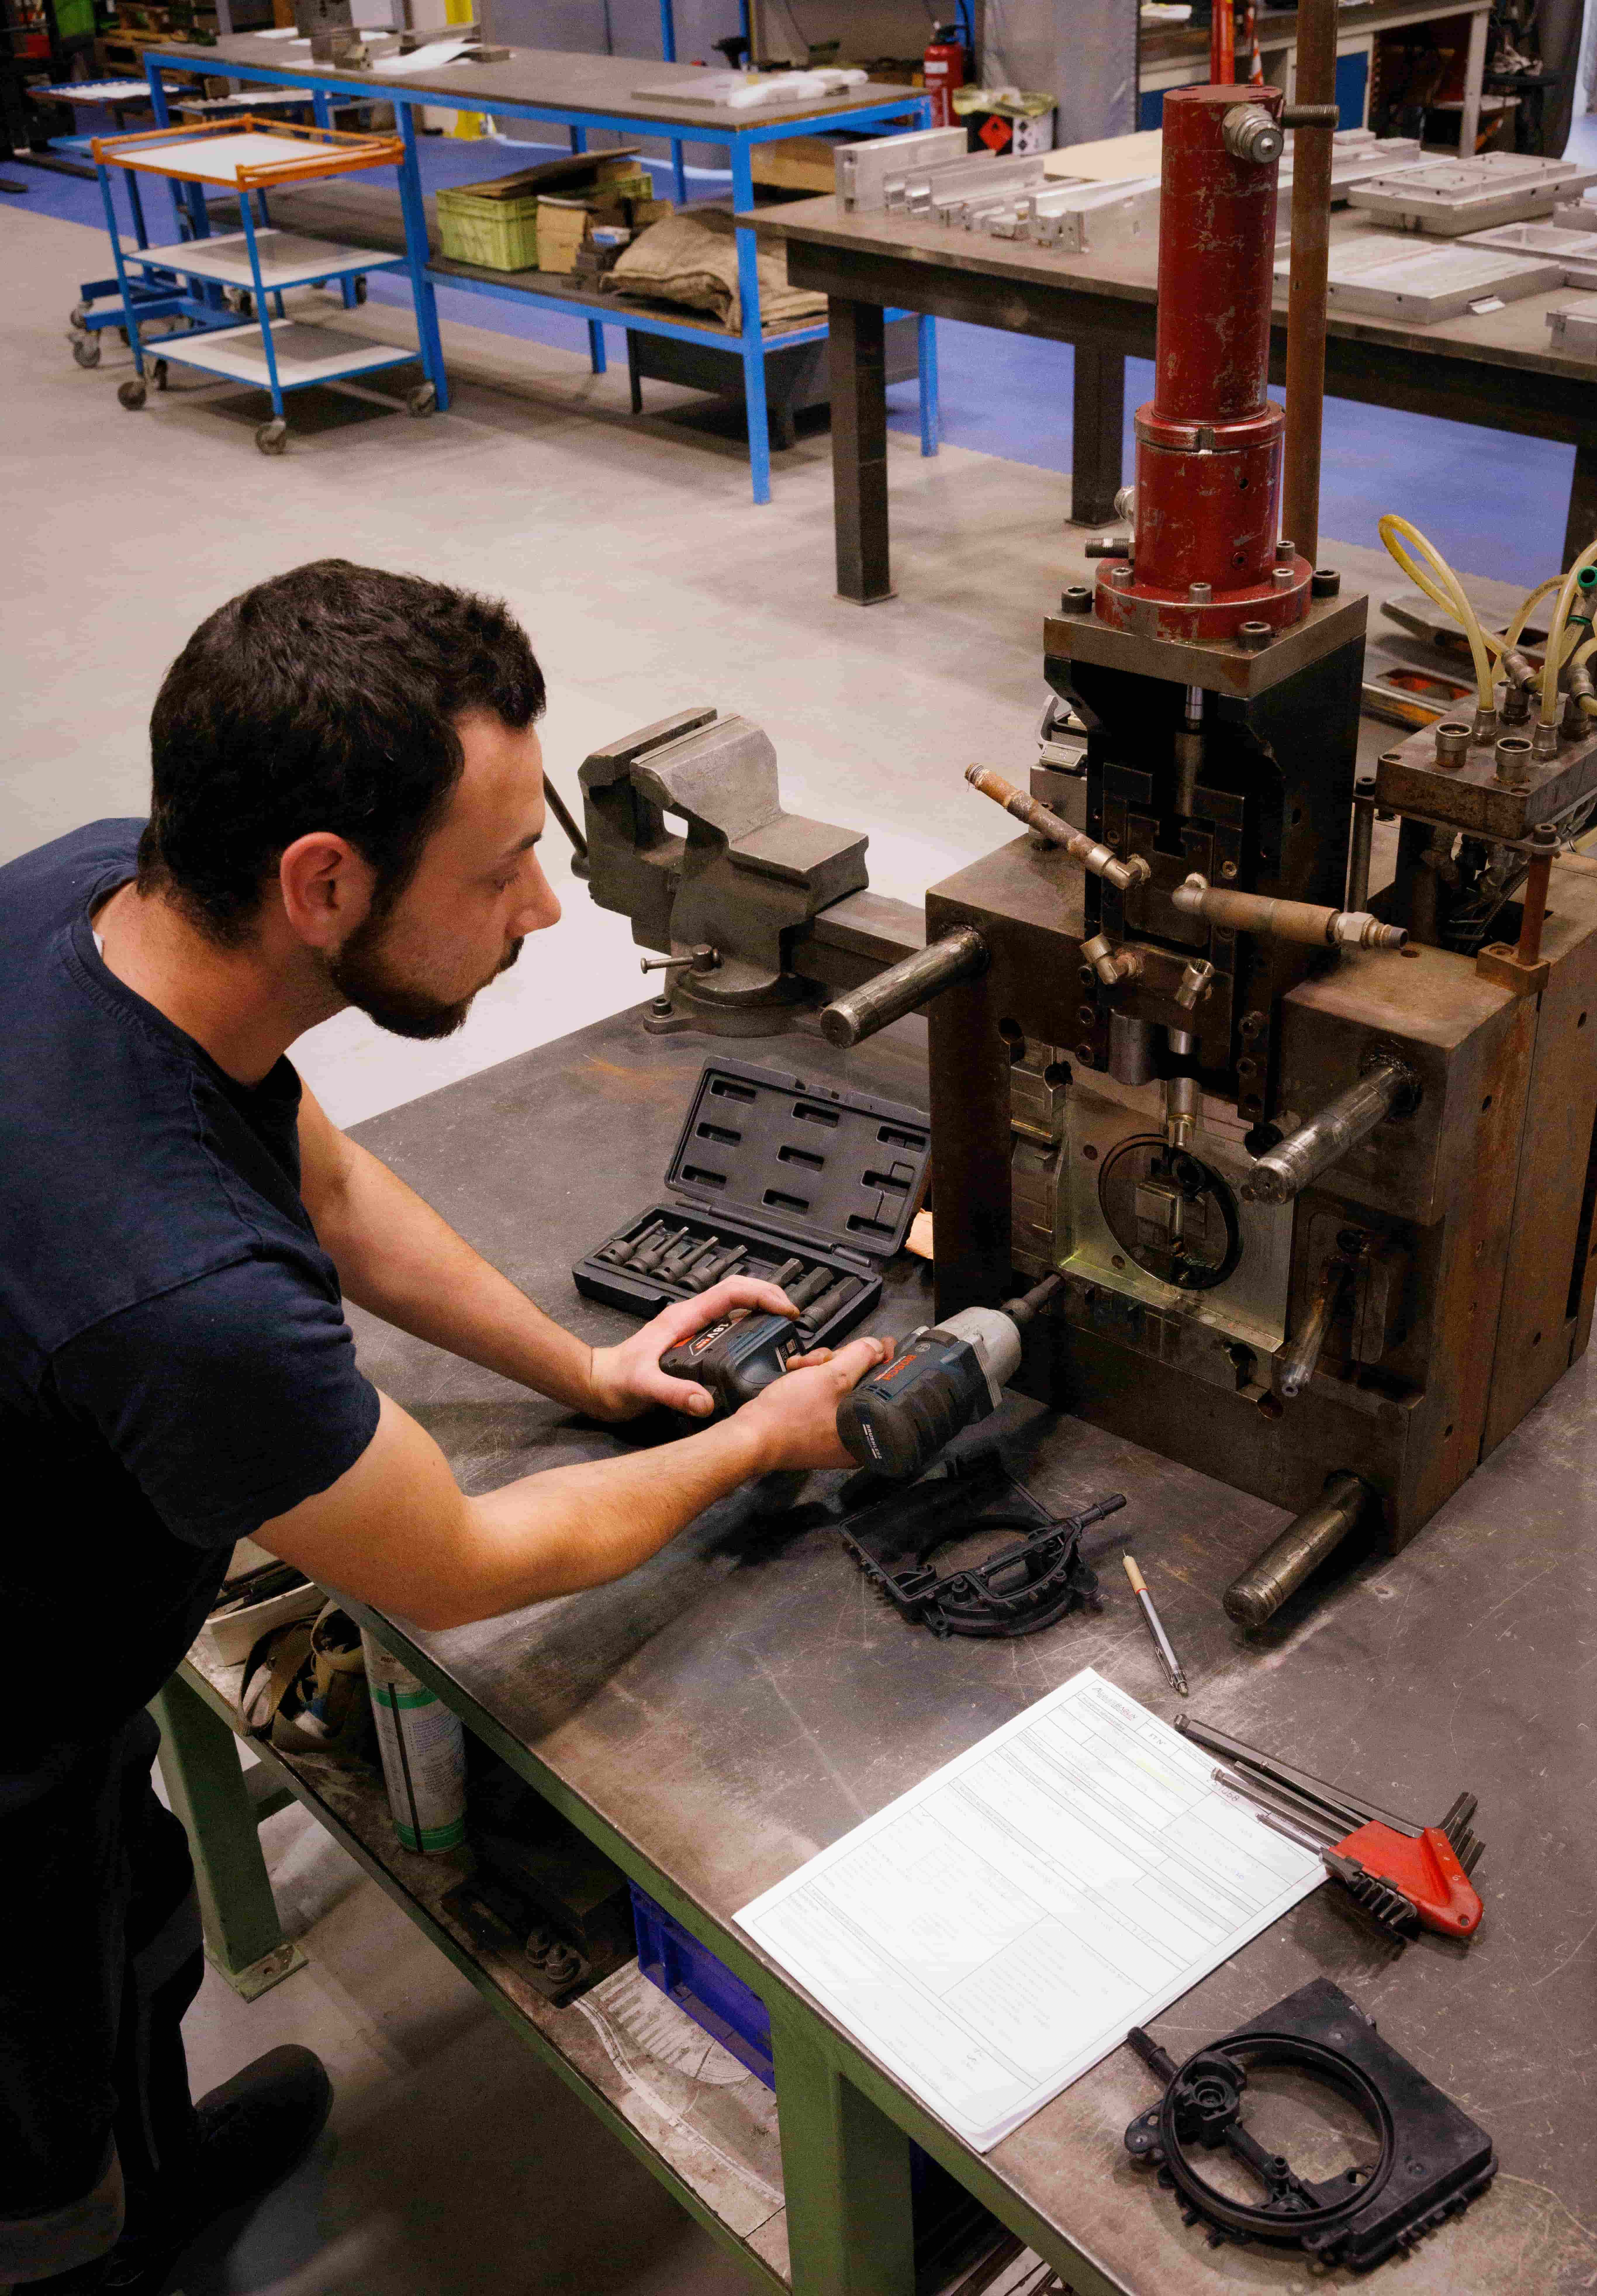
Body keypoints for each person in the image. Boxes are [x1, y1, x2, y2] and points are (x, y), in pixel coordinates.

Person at [0, 561, 890, 2294]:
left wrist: (582, 1371)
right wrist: (752, 1443)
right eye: (500, 873)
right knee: (27, 2157)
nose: (544, 912)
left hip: (49, 1605)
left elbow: (306, 1165)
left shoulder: (104, 893)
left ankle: (152, 2171)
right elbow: (466, 1565)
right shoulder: (180, 1292)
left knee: (129, 1931)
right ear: (322, 883)